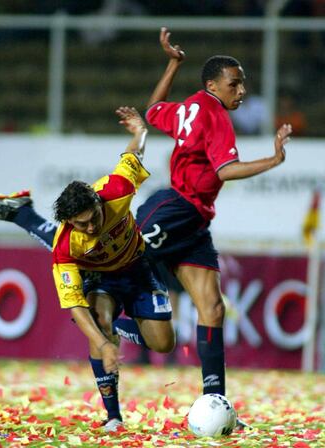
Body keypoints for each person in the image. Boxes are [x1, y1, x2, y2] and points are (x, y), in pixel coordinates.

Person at [0, 106, 175, 432]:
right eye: (82, 224)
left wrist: (140, 131)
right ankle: (113, 416)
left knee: (164, 343)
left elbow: (132, 154)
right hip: (101, 278)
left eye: (95, 217)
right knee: (97, 323)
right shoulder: (67, 246)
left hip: (139, 266)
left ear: (98, 200)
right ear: (69, 222)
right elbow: (75, 307)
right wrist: (105, 343)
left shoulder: (116, 190)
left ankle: (22, 213)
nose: (93, 226)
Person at [135, 27, 292, 425]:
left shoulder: (191, 105)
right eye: (234, 84)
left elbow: (153, 112)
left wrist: (173, 64)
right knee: (126, 257)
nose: (240, 91)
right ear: (213, 85)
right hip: (178, 207)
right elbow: (228, 169)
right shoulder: (216, 114)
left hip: (194, 217)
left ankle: (215, 401)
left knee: (212, 308)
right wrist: (272, 161)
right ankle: (106, 306)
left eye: (242, 84)